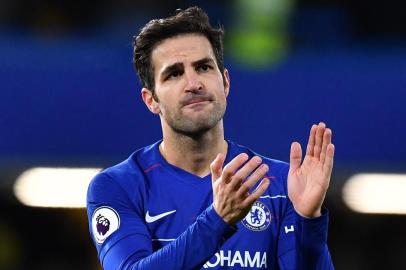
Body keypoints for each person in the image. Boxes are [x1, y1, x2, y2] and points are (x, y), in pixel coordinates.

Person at [87, 6, 335, 270]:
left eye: (203, 67)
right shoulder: (119, 187)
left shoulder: (277, 184)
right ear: (151, 100)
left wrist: (309, 221)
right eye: (174, 74)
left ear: (225, 83)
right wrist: (218, 220)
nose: (193, 83)